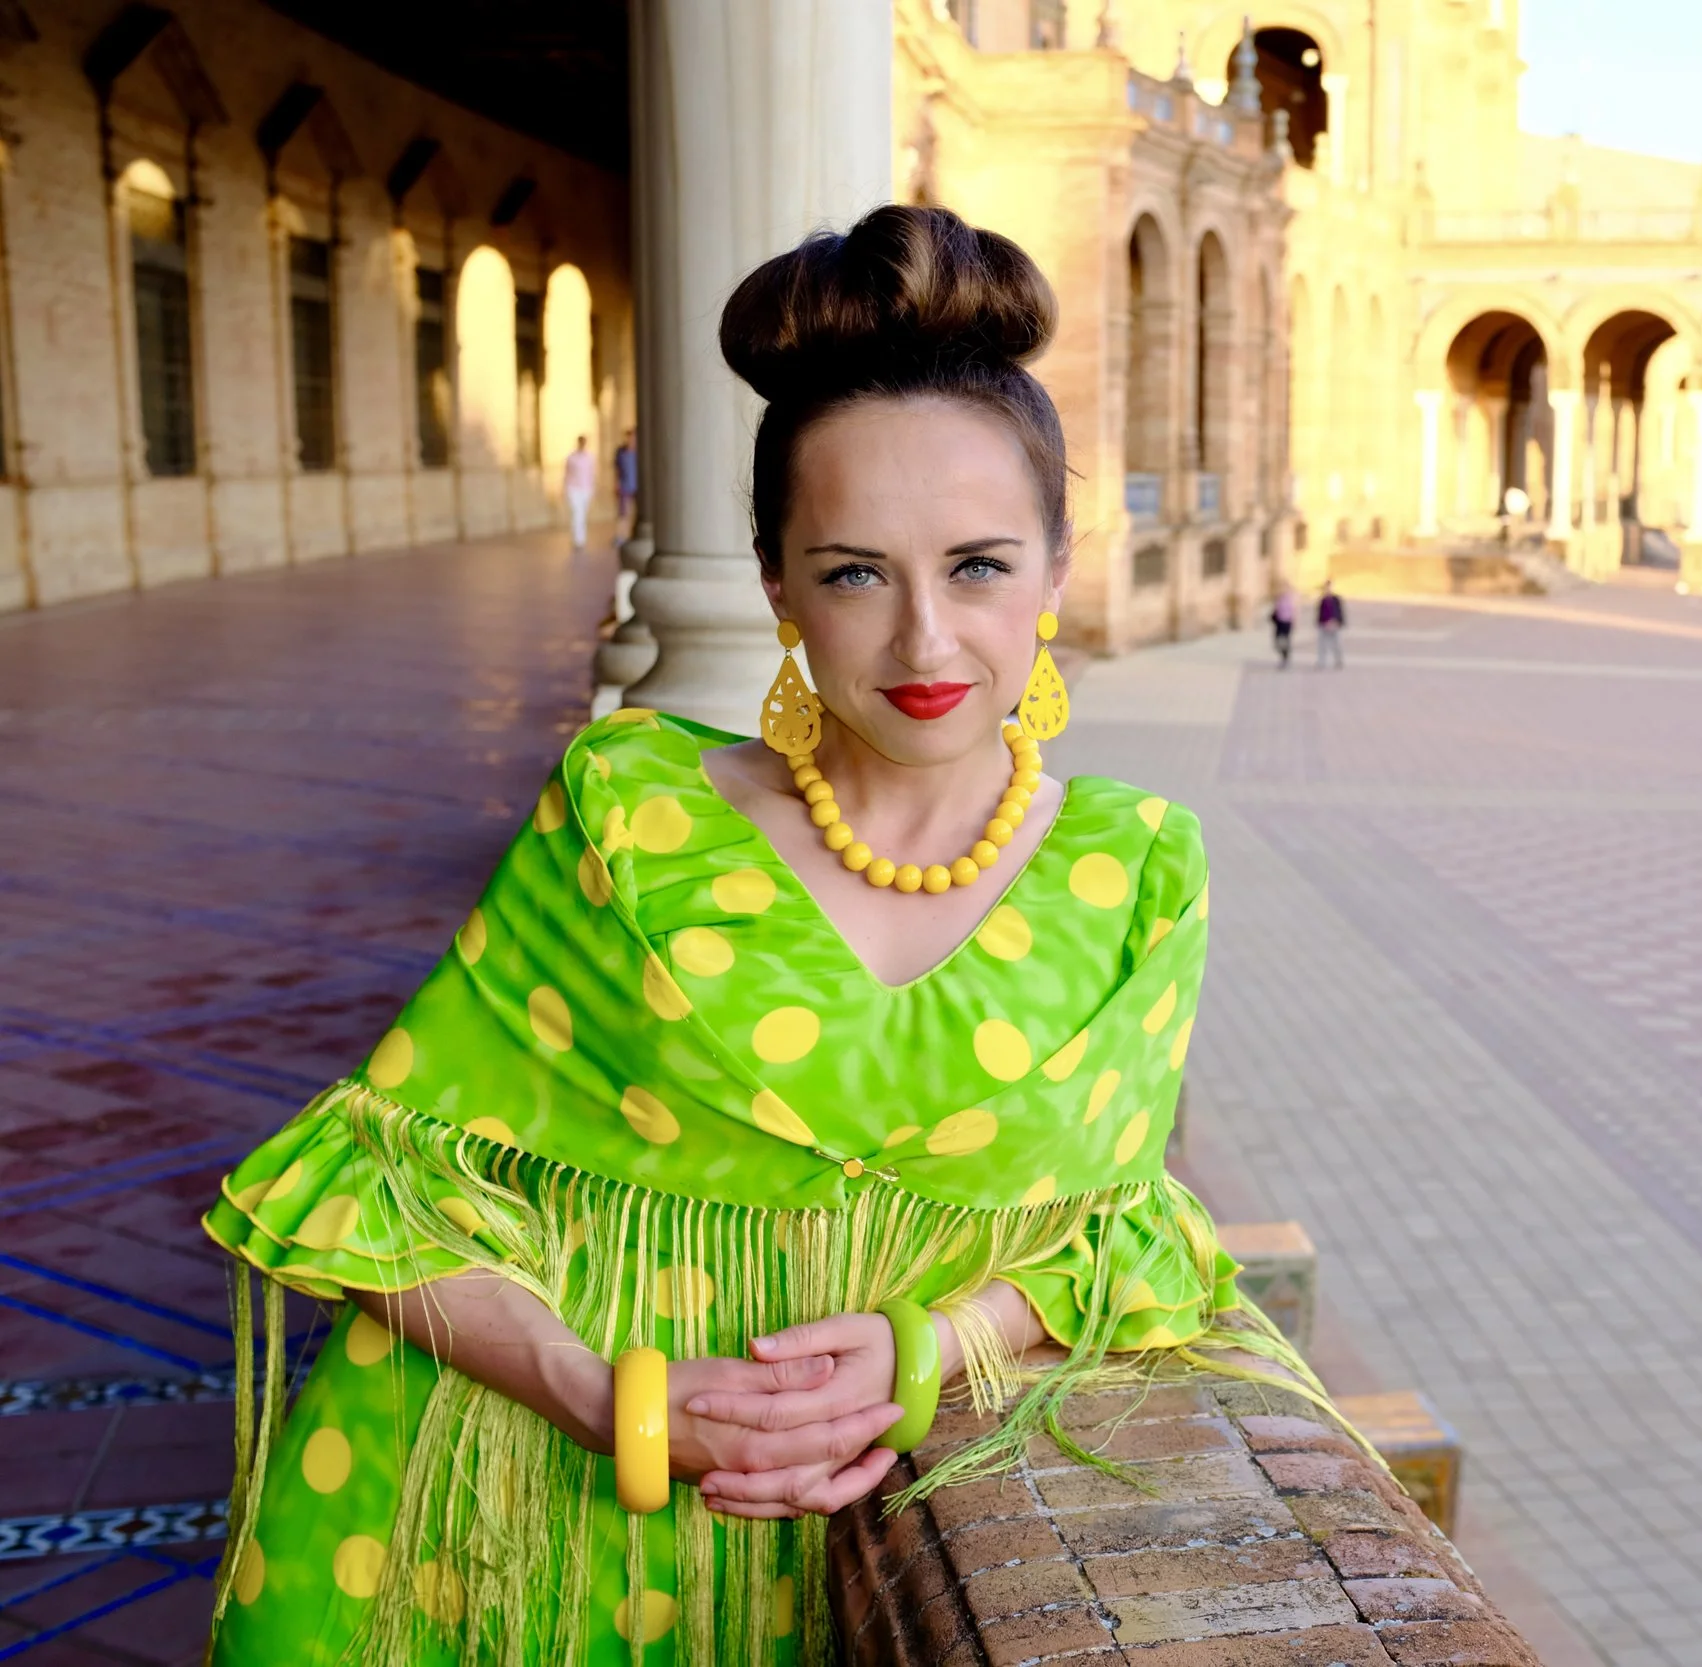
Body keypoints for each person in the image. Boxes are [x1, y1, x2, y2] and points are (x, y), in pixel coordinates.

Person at [198, 205, 1324, 1665]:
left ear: (1058, 567)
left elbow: (1120, 1240)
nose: (925, 641)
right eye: (855, 571)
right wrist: (609, 1397)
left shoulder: (1138, 874)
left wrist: (934, 1346)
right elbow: (379, 1187)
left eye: (979, 565)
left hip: (895, 1564)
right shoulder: (630, 817)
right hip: (530, 1547)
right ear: (777, 582)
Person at [562, 433, 597, 551]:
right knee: (577, 513)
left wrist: (592, 488)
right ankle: (578, 539)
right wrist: (565, 488)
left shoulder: (590, 457)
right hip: (574, 489)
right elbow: (567, 473)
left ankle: (581, 538)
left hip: (586, 489)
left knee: (582, 514)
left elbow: (591, 474)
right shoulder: (571, 457)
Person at [613, 426, 639, 546]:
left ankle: (633, 535)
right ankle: (621, 535)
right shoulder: (620, 452)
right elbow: (617, 470)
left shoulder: (638, 453)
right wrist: (616, 483)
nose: (630, 440)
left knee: (636, 512)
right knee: (623, 513)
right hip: (624, 486)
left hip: (637, 486)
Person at [1315, 578, 1346, 668]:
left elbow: (1339, 612)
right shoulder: (1323, 600)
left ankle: (1338, 661)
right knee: (1322, 645)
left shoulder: (1336, 600)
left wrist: (1337, 622)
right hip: (1324, 625)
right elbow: (1320, 613)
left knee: (1337, 644)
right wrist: (1321, 623)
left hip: (1334, 624)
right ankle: (1321, 662)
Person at [1271, 581, 1297, 669]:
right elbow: (1276, 610)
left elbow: (1294, 611)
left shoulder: (1290, 599)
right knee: (1278, 641)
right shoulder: (1279, 598)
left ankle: (1285, 659)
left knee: (1286, 641)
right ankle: (1283, 656)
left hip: (1287, 622)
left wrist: (1294, 622)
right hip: (1279, 622)